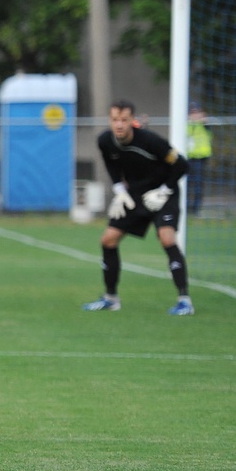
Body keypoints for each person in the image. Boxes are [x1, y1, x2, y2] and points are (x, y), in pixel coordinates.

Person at [83, 99, 194, 316]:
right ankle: (111, 298)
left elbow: (182, 165)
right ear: (110, 120)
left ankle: (184, 301)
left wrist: (164, 190)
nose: (120, 125)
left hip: (163, 194)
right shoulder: (105, 141)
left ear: (132, 120)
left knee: (167, 238)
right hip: (135, 195)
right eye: (115, 120)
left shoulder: (150, 141)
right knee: (108, 240)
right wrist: (119, 190)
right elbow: (111, 163)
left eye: (124, 120)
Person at [186, 102, 212, 216]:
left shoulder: (205, 125)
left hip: (200, 158)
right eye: (193, 112)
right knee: (186, 184)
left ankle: (196, 209)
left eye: (197, 112)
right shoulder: (186, 124)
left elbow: (209, 133)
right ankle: (186, 207)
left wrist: (203, 122)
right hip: (188, 157)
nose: (195, 115)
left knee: (198, 184)